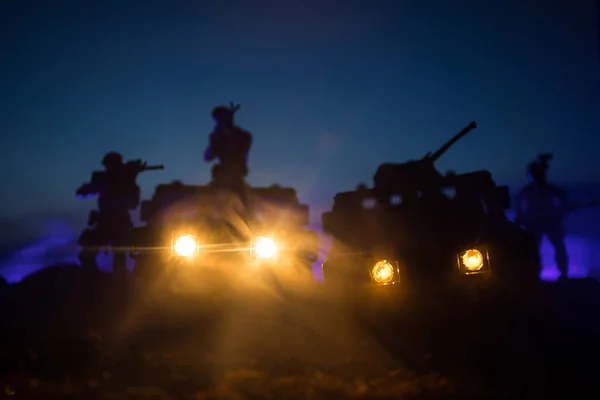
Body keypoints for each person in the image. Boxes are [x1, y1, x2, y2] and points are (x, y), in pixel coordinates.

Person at [76, 152, 145, 277]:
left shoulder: (128, 183)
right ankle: (94, 282)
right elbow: (81, 193)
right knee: (86, 255)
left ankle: (116, 287)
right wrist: (103, 184)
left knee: (119, 261)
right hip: (104, 223)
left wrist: (128, 181)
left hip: (120, 224)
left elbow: (132, 204)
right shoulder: (105, 180)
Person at [514, 153, 570, 280]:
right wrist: (521, 217)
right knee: (534, 250)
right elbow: (518, 206)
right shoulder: (529, 191)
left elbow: (565, 201)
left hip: (549, 222)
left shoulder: (547, 190)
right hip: (535, 222)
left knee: (557, 248)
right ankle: (535, 274)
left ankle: (561, 274)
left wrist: (560, 213)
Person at [204, 103, 253, 205]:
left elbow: (245, 151)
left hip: (236, 173)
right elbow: (207, 157)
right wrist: (217, 134)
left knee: (242, 200)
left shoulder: (243, 135)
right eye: (219, 119)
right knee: (214, 199)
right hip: (223, 173)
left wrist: (243, 165)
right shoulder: (216, 135)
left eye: (224, 117)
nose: (222, 121)